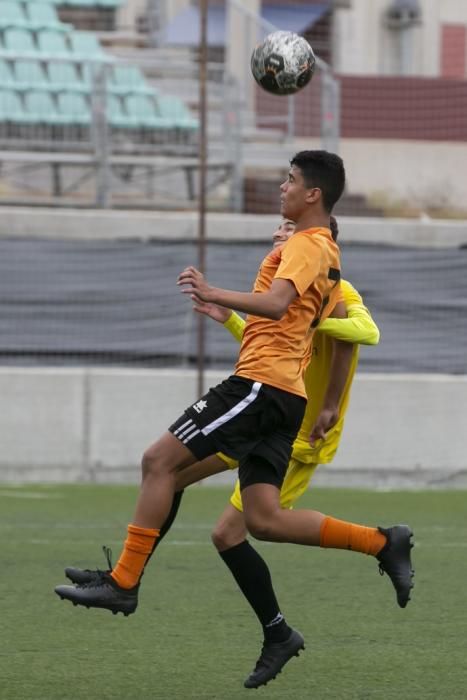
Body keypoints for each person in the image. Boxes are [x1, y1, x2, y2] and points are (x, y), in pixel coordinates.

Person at [55, 151, 414, 689]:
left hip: (259, 388)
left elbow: (278, 307)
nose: (282, 187)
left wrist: (212, 289)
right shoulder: (320, 254)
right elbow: (284, 324)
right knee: (260, 519)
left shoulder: (308, 246)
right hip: (280, 395)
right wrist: (230, 316)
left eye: (290, 180)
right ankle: (381, 543)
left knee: (158, 461)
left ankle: (124, 582)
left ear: (313, 194)